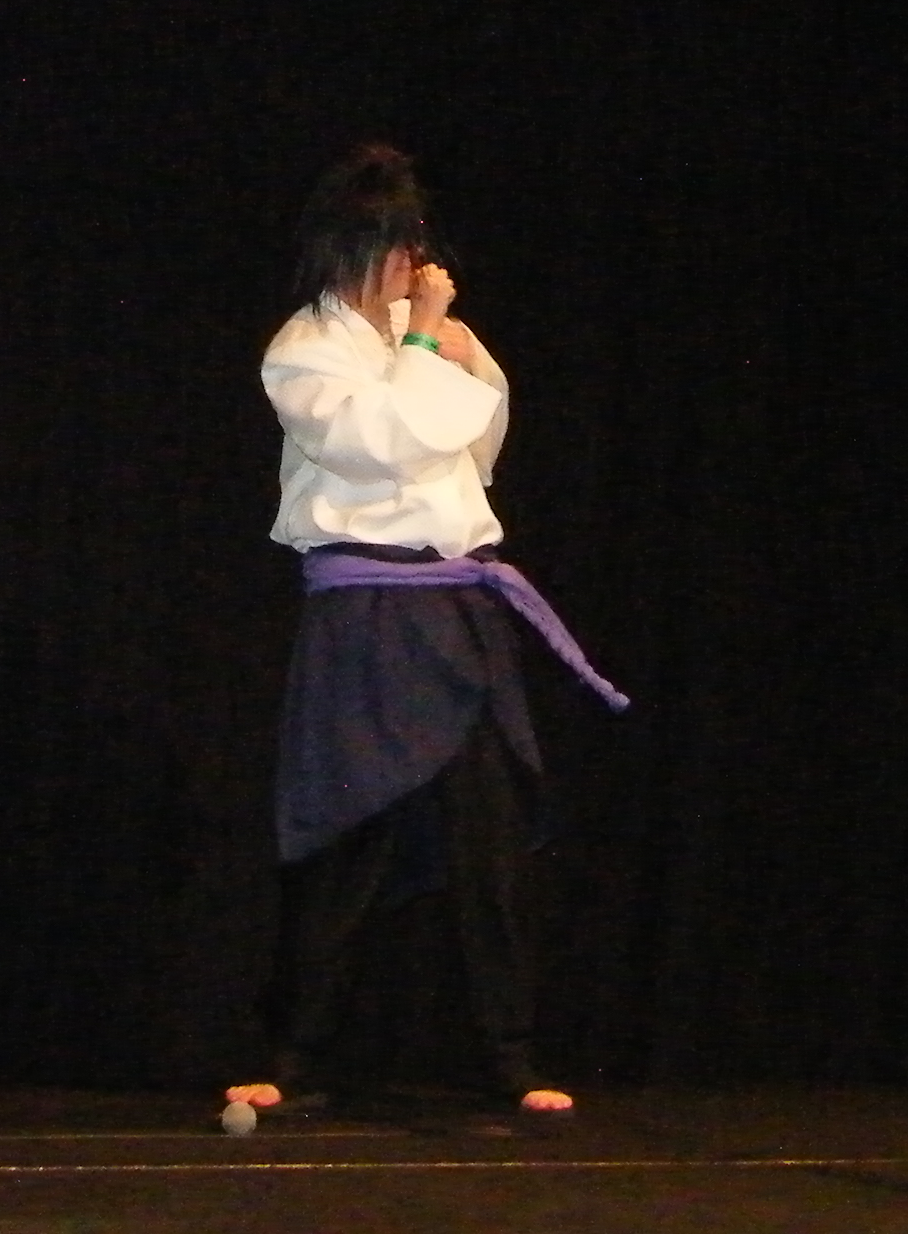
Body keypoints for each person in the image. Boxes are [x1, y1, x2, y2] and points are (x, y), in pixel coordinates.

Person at [224, 144, 627, 1117]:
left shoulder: (432, 335)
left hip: (456, 604)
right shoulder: (307, 346)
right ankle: (295, 1057)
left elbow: (474, 448)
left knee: (490, 842)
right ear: (349, 252)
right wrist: (426, 344)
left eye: (413, 246)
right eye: (393, 249)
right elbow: (377, 446)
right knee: (348, 835)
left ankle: (510, 1058)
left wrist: (438, 342)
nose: (410, 266)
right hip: (367, 609)